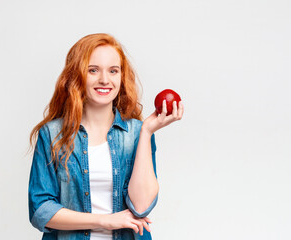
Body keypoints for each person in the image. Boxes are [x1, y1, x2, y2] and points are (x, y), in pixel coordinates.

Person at [28, 33, 184, 240]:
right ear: (76, 76)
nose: (105, 80)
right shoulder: (52, 134)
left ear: (121, 76)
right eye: (93, 70)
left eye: (113, 71)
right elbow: (41, 211)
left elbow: (141, 206)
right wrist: (105, 220)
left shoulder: (137, 132)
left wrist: (146, 132)